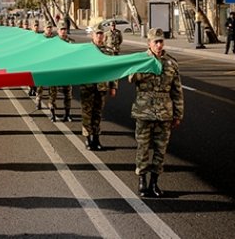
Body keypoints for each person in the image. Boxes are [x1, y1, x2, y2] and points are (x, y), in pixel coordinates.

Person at [128, 28, 184, 198]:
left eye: (161, 41)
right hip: (144, 112)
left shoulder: (171, 63)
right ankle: (142, 181)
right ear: (149, 43)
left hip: (164, 113)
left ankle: (154, 182)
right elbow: (131, 78)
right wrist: (147, 67)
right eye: (156, 42)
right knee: (143, 147)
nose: (159, 45)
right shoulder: (141, 60)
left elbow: (177, 91)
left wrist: (178, 114)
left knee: (161, 149)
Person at [79, 24, 117, 151]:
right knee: (87, 114)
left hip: (101, 87)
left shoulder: (109, 51)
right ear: (92, 35)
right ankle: (88, 138)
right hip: (87, 87)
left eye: (101, 34)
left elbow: (113, 70)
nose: (100, 36)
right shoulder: (85, 50)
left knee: (97, 114)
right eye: (97, 34)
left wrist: (113, 86)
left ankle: (96, 138)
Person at [49, 21, 74, 122]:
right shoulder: (52, 42)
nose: (63, 31)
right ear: (58, 31)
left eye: (65, 29)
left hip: (66, 73)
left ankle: (67, 114)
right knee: (53, 94)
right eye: (61, 30)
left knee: (68, 94)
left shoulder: (71, 42)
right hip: (55, 73)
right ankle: (52, 113)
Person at [33, 22, 57, 111]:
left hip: (52, 65)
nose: (49, 29)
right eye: (47, 27)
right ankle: (38, 99)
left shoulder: (55, 38)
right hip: (42, 65)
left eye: (50, 27)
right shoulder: (40, 38)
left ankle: (51, 103)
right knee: (40, 85)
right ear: (44, 28)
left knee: (53, 86)